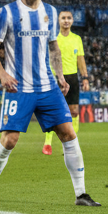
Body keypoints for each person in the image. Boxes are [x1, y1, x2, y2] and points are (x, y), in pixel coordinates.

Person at [0, 0, 100, 208]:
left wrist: (60, 75)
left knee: (68, 133)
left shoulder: (49, 12)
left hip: (48, 87)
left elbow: (54, 47)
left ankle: (81, 194)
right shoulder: (7, 12)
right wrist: (3, 75)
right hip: (19, 87)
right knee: (10, 140)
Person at [43, 10, 88, 155]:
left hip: (73, 77)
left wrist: (85, 78)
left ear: (72, 21)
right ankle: (47, 144)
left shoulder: (77, 39)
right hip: (56, 77)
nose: (66, 20)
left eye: (69, 18)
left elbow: (80, 60)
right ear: (59, 20)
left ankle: (72, 143)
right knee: (53, 111)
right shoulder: (53, 38)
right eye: (63, 18)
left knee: (74, 112)